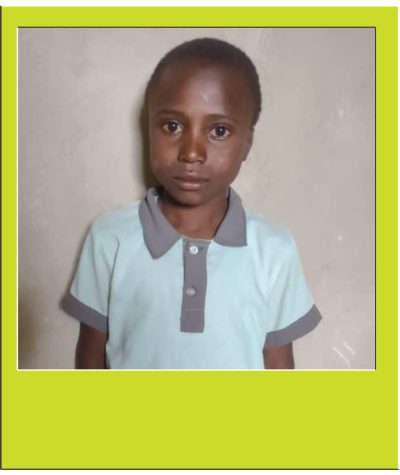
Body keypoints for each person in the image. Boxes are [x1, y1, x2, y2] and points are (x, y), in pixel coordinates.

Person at [61, 37, 322, 370]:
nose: (192, 152)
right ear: (149, 128)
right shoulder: (109, 238)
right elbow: (89, 360)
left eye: (219, 131)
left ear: (247, 144)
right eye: (172, 126)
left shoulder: (274, 249)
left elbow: (280, 366)